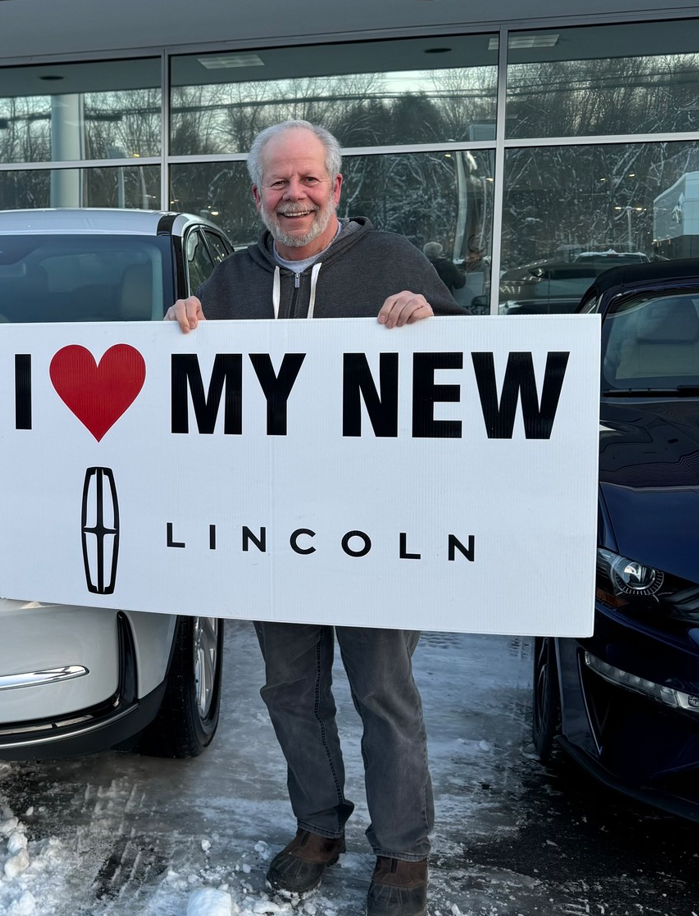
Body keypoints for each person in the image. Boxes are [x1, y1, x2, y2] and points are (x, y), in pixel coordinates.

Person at [166, 119, 466, 916]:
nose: (291, 195)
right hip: (273, 535)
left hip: (376, 530)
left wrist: (431, 317)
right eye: (276, 182)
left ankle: (403, 850)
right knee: (291, 692)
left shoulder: (395, 263)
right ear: (256, 193)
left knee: (383, 693)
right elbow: (190, 406)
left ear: (336, 186)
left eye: (307, 180)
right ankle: (317, 828)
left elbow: (474, 382)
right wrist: (179, 333)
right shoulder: (229, 281)